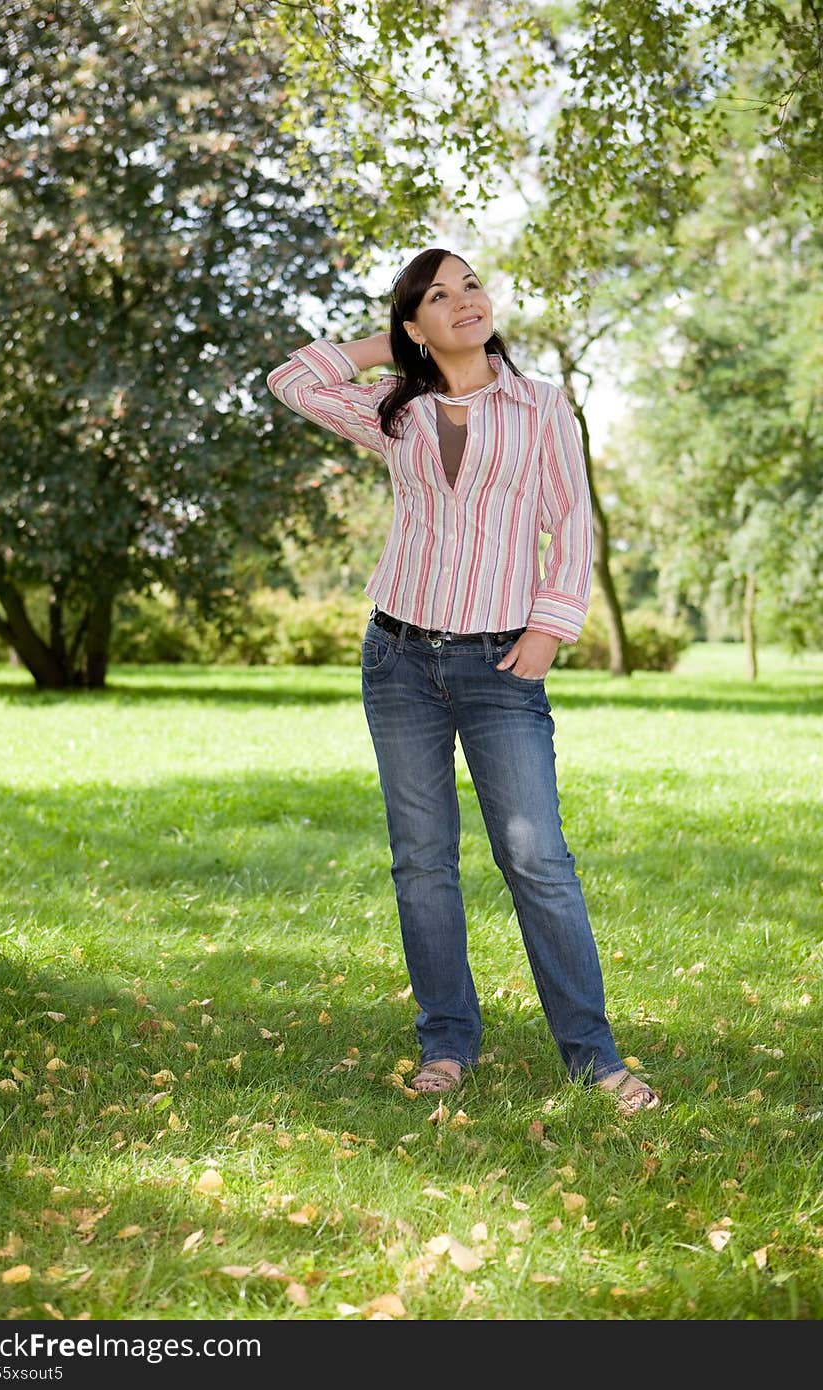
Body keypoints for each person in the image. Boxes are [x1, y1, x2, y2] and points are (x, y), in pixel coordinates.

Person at [266, 247, 659, 1116]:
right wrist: (390, 345)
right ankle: (446, 1044)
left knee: (537, 858)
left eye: (470, 286)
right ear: (416, 324)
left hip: (499, 663)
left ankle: (594, 1058)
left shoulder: (542, 407)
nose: (463, 303)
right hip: (398, 657)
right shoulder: (393, 412)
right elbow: (289, 380)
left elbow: (572, 524)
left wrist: (552, 627)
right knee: (422, 866)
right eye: (438, 298)